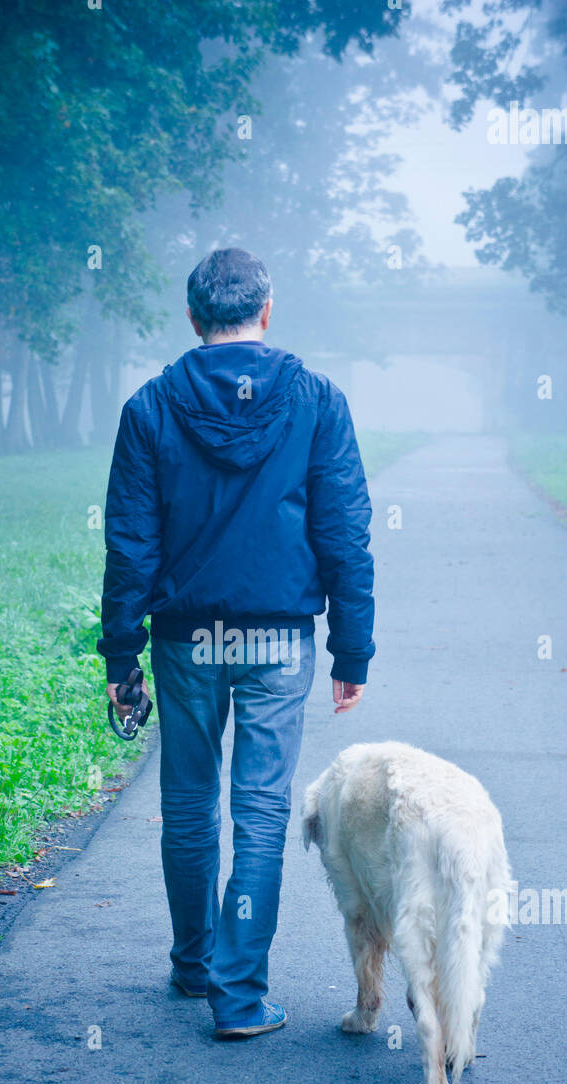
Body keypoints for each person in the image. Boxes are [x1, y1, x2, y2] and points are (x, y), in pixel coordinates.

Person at [99, 247, 375, 1037]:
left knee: (188, 805)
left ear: (193, 318)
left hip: (187, 639)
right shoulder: (318, 401)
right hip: (279, 640)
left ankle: (193, 967)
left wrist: (122, 654)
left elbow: (130, 545)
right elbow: (345, 534)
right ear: (268, 308)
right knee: (260, 811)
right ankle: (240, 995)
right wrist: (350, 651)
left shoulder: (150, 407)